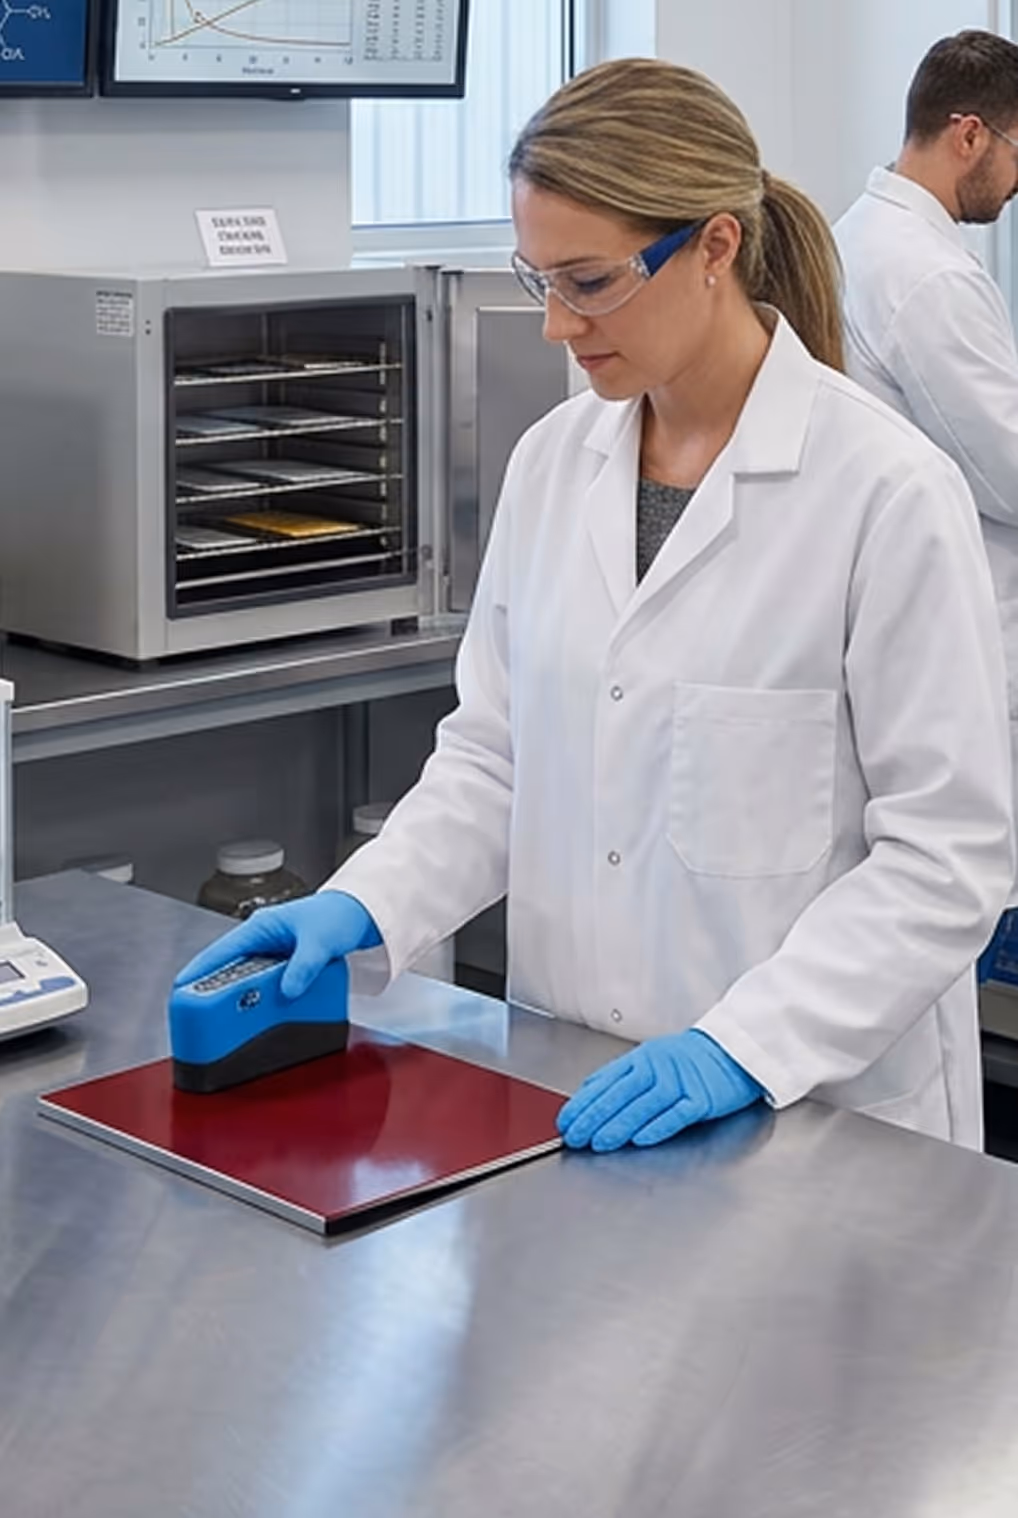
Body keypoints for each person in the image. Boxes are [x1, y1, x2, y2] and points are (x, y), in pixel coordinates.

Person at [179, 59, 1013, 1151]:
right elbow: (496, 760)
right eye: (539, 281)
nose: (555, 325)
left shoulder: (884, 492)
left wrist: (743, 1047)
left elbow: (944, 859)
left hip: (821, 1119)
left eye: (589, 281)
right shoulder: (551, 464)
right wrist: (365, 903)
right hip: (570, 1093)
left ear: (715, 247)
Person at [834, 30, 1018, 980]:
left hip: (902, 630)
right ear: (970, 134)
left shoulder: (857, 235)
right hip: (966, 634)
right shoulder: (929, 275)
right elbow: (1009, 469)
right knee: (965, 922)